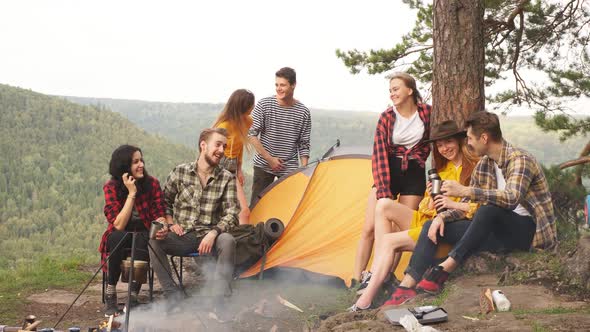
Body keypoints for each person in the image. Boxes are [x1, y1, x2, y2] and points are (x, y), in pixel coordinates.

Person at [383, 111, 557, 306]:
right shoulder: (485, 164)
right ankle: (406, 288)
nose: (468, 142)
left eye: (470, 138)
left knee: (488, 209)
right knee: (434, 224)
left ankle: (445, 268)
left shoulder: (520, 160)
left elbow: (511, 199)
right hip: (493, 230)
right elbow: (467, 205)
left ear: (484, 138)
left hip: (526, 233)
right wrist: (443, 217)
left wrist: (466, 189)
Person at [349, 121, 478, 311]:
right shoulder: (442, 171)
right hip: (429, 220)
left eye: (448, 142)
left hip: (447, 228)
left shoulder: (476, 168)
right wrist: (431, 200)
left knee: (388, 241)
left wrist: (452, 203)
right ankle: (381, 274)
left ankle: (367, 297)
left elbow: (483, 206)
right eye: (439, 145)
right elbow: (424, 208)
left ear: (460, 141)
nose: (444, 149)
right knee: (384, 204)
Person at [352, 72, 431, 286]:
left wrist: (419, 156)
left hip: (414, 171)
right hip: (388, 169)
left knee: (402, 231)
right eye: (390, 90)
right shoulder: (387, 116)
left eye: (396, 88)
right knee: (369, 227)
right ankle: (356, 278)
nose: (392, 93)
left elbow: (432, 141)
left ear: (410, 90)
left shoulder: (427, 113)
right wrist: (383, 188)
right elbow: (379, 153)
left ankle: (384, 276)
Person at [149, 128, 240, 305]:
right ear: (203, 145)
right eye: (218, 145)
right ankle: (172, 295)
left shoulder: (226, 178)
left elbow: (232, 213)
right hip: (182, 235)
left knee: (227, 240)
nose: (222, 151)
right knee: (153, 241)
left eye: (224, 146)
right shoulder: (180, 172)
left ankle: (219, 298)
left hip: (210, 236)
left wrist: (213, 233)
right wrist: (169, 222)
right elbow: (163, 202)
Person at [99, 145, 166, 316]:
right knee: (115, 238)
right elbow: (118, 224)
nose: (141, 164)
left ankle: (133, 295)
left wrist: (162, 223)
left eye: (141, 160)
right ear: (124, 166)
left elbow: (160, 213)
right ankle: (111, 291)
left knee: (143, 238)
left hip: (143, 232)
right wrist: (131, 193)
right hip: (120, 233)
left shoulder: (152, 184)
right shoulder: (111, 187)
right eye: (135, 162)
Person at [248, 67, 311, 206]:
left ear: (293, 85)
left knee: (288, 208)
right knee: (257, 207)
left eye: (282, 85)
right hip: (263, 164)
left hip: (289, 167)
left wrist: (304, 168)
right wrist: (269, 159)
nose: (278, 88)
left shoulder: (303, 112)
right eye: (276, 85)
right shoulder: (264, 104)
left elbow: (304, 143)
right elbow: (251, 134)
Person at [214, 89, 255, 225]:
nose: (253, 107)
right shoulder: (224, 126)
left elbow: (240, 145)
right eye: (251, 105)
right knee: (223, 211)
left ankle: (244, 241)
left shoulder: (248, 121)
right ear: (242, 107)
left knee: (243, 211)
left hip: (232, 165)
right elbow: (212, 151)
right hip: (220, 165)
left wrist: (239, 169)